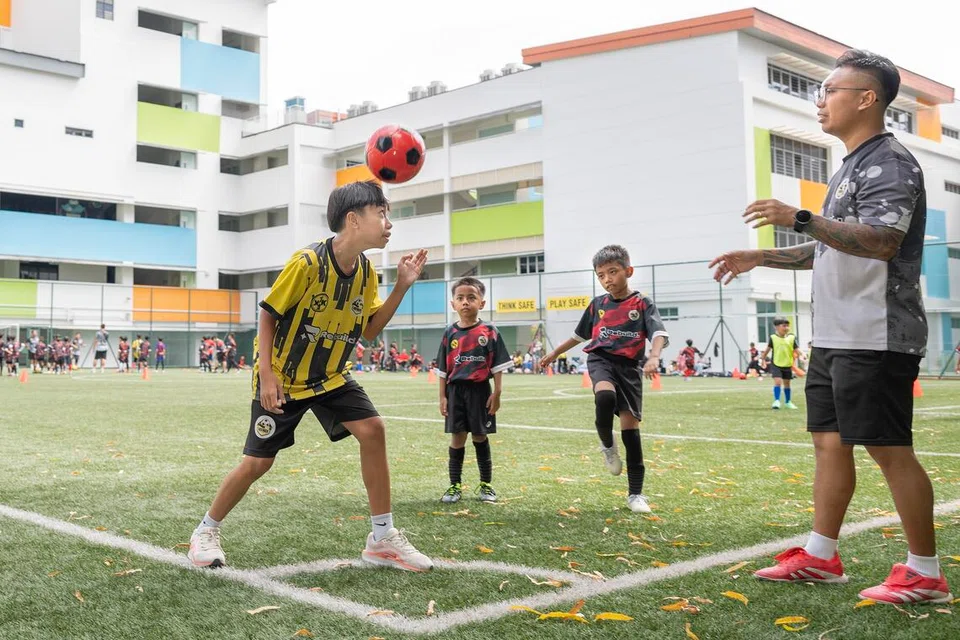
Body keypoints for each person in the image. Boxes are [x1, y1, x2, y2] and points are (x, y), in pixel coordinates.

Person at [709, 50, 950, 604]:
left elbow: (881, 242)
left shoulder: (890, 163)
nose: (819, 102)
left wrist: (799, 216)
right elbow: (831, 245)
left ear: (867, 98)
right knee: (829, 444)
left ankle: (925, 572)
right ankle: (821, 556)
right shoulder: (848, 166)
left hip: (877, 332)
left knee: (889, 448)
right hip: (837, 333)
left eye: (830, 91)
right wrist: (762, 256)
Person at [188, 180, 433, 572]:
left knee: (373, 430)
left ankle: (382, 538)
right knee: (257, 464)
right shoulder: (307, 263)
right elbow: (268, 314)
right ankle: (205, 530)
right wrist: (268, 376)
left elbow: (370, 330)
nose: (388, 224)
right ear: (354, 219)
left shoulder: (366, 273)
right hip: (285, 378)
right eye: (381, 214)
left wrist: (402, 286)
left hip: (331, 376)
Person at [540, 245, 668, 514]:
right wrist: (554, 353)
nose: (607, 279)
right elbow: (578, 336)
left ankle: (636, 494)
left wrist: (654, 356)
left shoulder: (642, 303)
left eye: (613, 272)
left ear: (628, 271)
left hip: (630, 368)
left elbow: (658, 333)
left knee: (631, 433)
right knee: (605, 396)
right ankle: (608, 445)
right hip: (601, 360)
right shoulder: (597, 305)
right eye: (601, 275)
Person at [436, 277, 512, 504]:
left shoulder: (489, 331)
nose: (465, 302)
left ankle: (486, 485)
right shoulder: (449, 333)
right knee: (457, 437)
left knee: (480, 435)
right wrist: (442, 396)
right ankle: (454, 485)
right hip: (455, 391)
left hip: (480, 391)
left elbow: (498, 366)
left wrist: (497, 393)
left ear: (482, 302)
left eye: (471, 297)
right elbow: (443, 370)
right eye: (460, 298)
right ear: (453, 304)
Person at [761, 318, 801, 410]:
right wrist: (763, 359)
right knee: (778, 382)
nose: (786, 328)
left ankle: (788, 402)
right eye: (784, 326)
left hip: (787, 364)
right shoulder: (773, 338)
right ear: (777, 327)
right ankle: (777, 401)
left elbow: (797, 349)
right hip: (776, 364)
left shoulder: (791, 338)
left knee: (787, 384)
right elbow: (767, 350)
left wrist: (802, 355)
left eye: (787, 326)